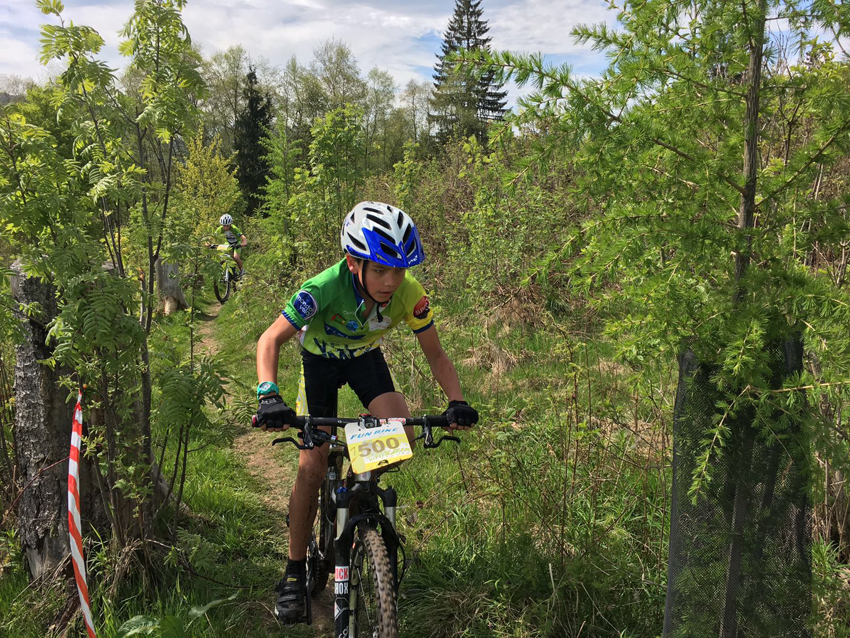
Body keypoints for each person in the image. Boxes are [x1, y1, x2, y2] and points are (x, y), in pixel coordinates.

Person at [253, 201, 479, 621]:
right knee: (312, 466)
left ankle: (357, 496)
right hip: (319, 362)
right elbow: (270, 340)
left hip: (364, 360)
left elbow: (435, 354)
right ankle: (294, 570)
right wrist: (268, 394)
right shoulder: (322, 288)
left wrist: (456, 401)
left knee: (401, 436)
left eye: (399, 270)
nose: (391, 282)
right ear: (352, 262)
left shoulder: (411, 295)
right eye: (379, 270)